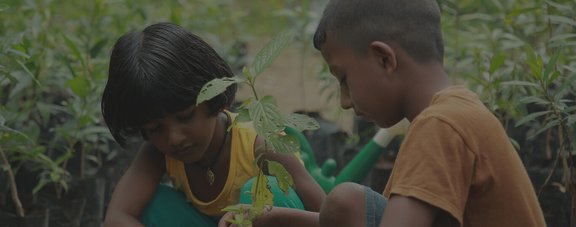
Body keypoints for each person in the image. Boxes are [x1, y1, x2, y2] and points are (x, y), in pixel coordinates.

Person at [219, 0, 547, 226]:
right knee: (344, 204)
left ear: (384, 59)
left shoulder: (440, 125)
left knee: (346, 200)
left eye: (344, 79)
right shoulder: (455, 112)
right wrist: (275, 218)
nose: (345, 102)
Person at [101, 22, 325, 227]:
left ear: (212, 97)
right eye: (155, 128)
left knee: (263, 191)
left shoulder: (261, 145)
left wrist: (273, 216)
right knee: (152, 205)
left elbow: (336, 221)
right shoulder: (157, 154)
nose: (175, 138)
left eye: (186, 116)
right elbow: (117, 217)